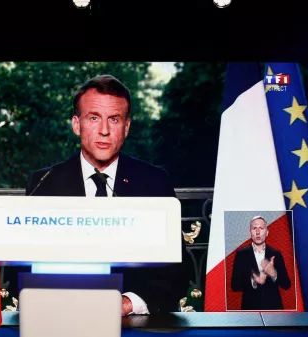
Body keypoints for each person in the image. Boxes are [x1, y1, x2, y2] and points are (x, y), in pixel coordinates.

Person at [23, 74, 187, 316]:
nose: (104, 131)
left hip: (135, 324)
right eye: (93, 118)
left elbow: (178, 271)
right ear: (77, 124)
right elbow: (25, 269)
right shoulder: (44, 183)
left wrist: (129, 303)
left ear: (126, 127)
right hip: (63, 320)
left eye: (114, 119)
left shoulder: (154, 182)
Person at [230, 216, 291, 310]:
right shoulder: (241, 254)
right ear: (250, 232)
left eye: (261, 228)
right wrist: (253, 280)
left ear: (267, 233)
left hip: (274, 310)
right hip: (250, 310)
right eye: (254, 228)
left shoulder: (275, 254)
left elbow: (286, 285)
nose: (258, 232)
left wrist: (273, 274)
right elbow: (234, 286)